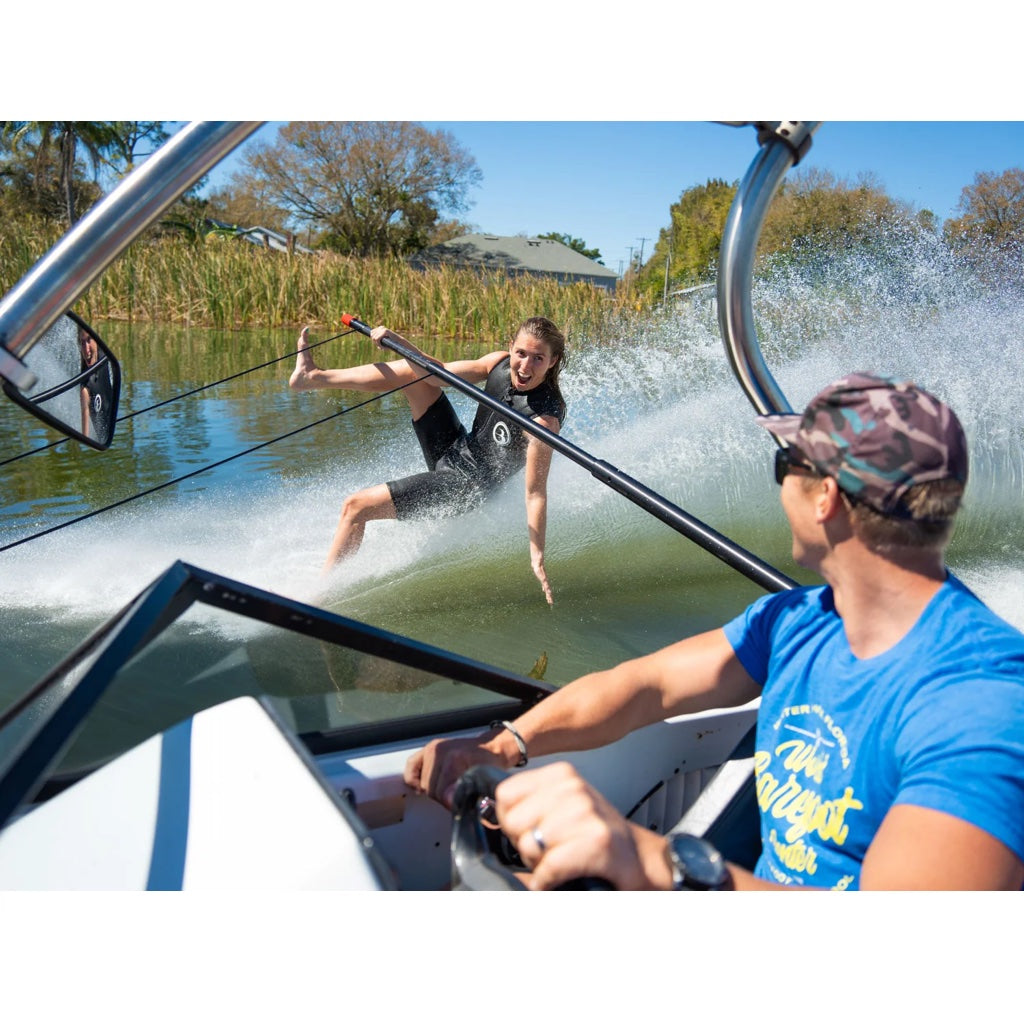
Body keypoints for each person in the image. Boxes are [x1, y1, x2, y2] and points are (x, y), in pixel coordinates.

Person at [405, 372, 1024, 890]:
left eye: (786, 462)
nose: (779, 480)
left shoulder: (983, 705)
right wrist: (505, 745)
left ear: (826, 499)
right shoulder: (796, 621)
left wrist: (649, 861)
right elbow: (646, 687)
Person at [290, 317, 567, 602]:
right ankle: (312, 377)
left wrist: (537, 556)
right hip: (456, 448)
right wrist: (398, 342)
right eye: (521, 353)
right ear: (510, 347)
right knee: (413, 373)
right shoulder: (498, 363)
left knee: (356, 506)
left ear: (552, 361)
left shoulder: (543, 421)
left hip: (466, 487)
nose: (525, 366)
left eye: (538, 358)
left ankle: (320, 597)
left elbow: (535, 493)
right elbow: (437, 374)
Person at [79, 325, 113, 442]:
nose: (86, 349)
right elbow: (85, 437)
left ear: (97, 341)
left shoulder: (104, 356)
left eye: (89, 340)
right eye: (82, 343)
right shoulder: (85, 389)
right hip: (105, 440)